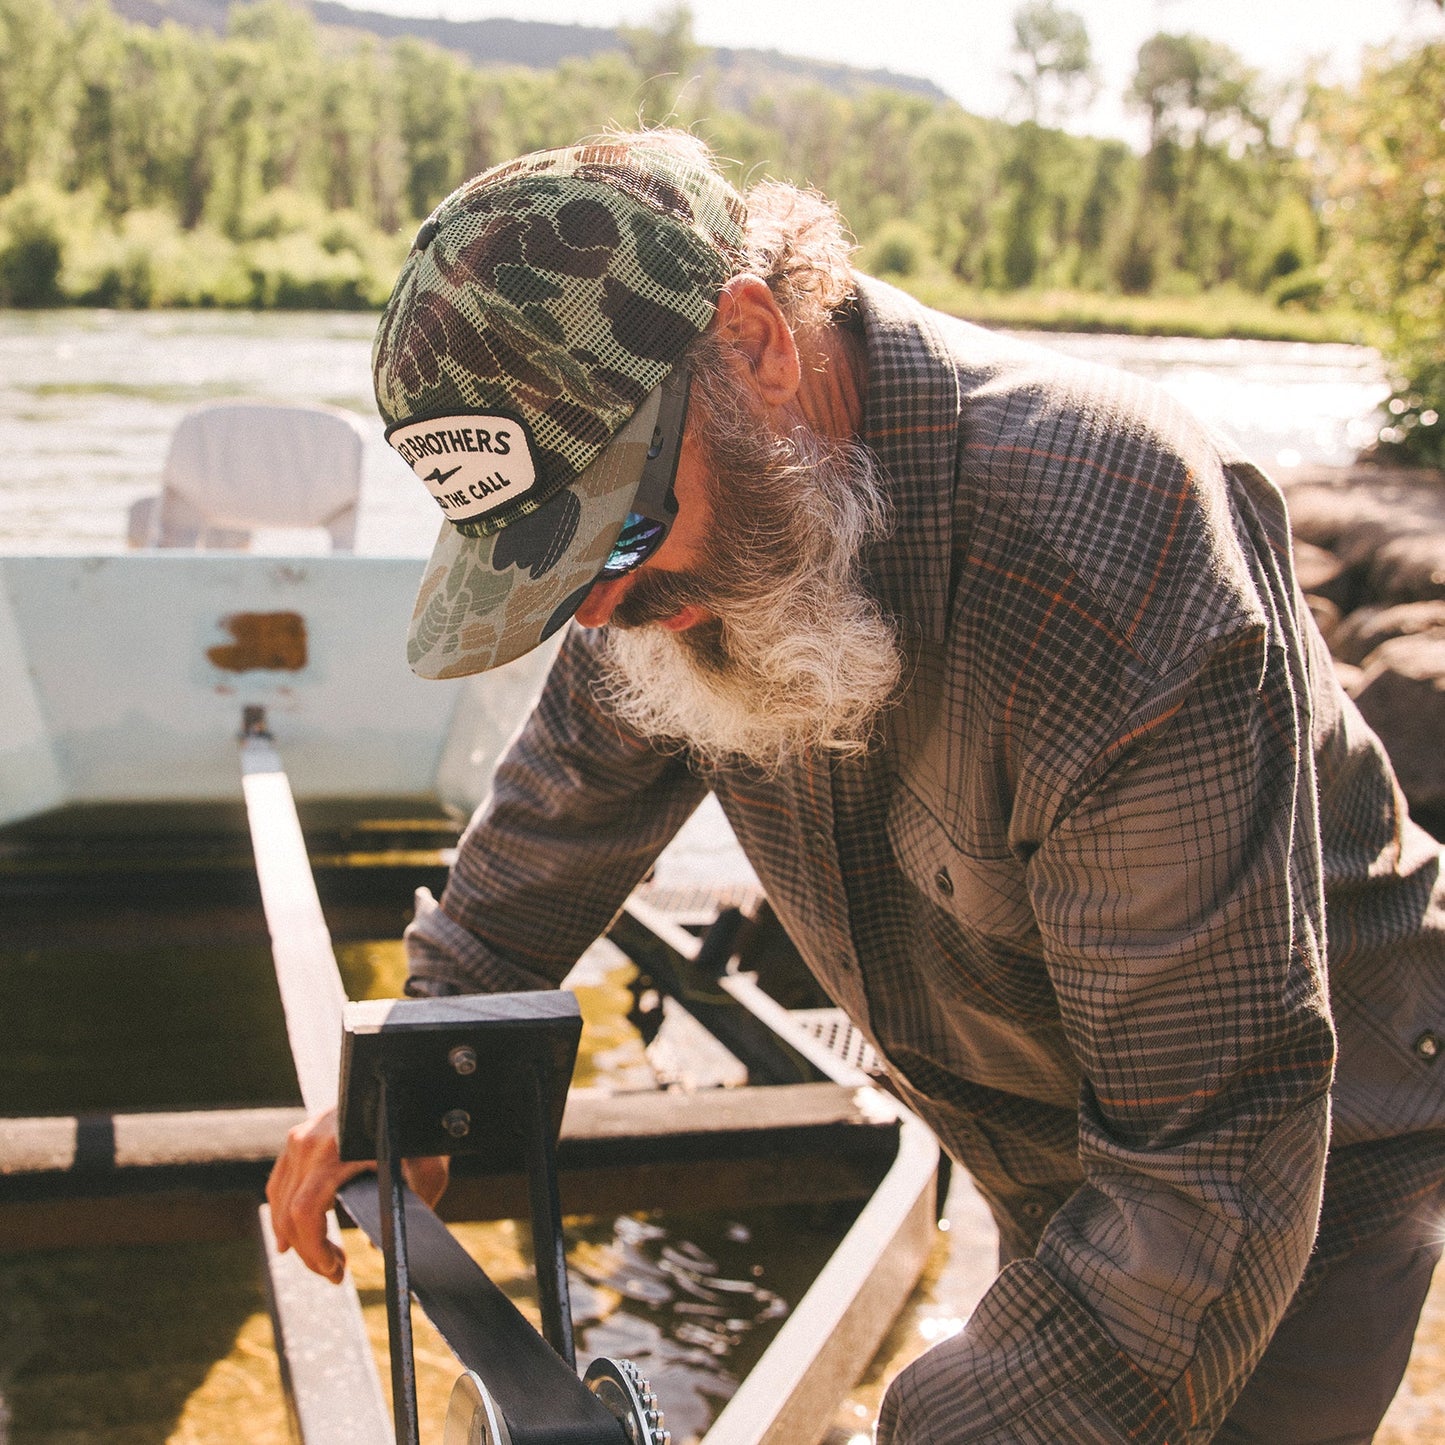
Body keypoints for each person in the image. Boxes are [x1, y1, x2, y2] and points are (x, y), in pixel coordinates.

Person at [265, 129, 1445, 1443]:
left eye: (620, 533)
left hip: (1292, 1169)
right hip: (1030, 1124)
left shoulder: (1109, 550)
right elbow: (557, 814)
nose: (602, 607)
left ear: (756, 347)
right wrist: (418, 1077)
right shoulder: (668, 532)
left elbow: (1207, 1169)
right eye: (554, 573)